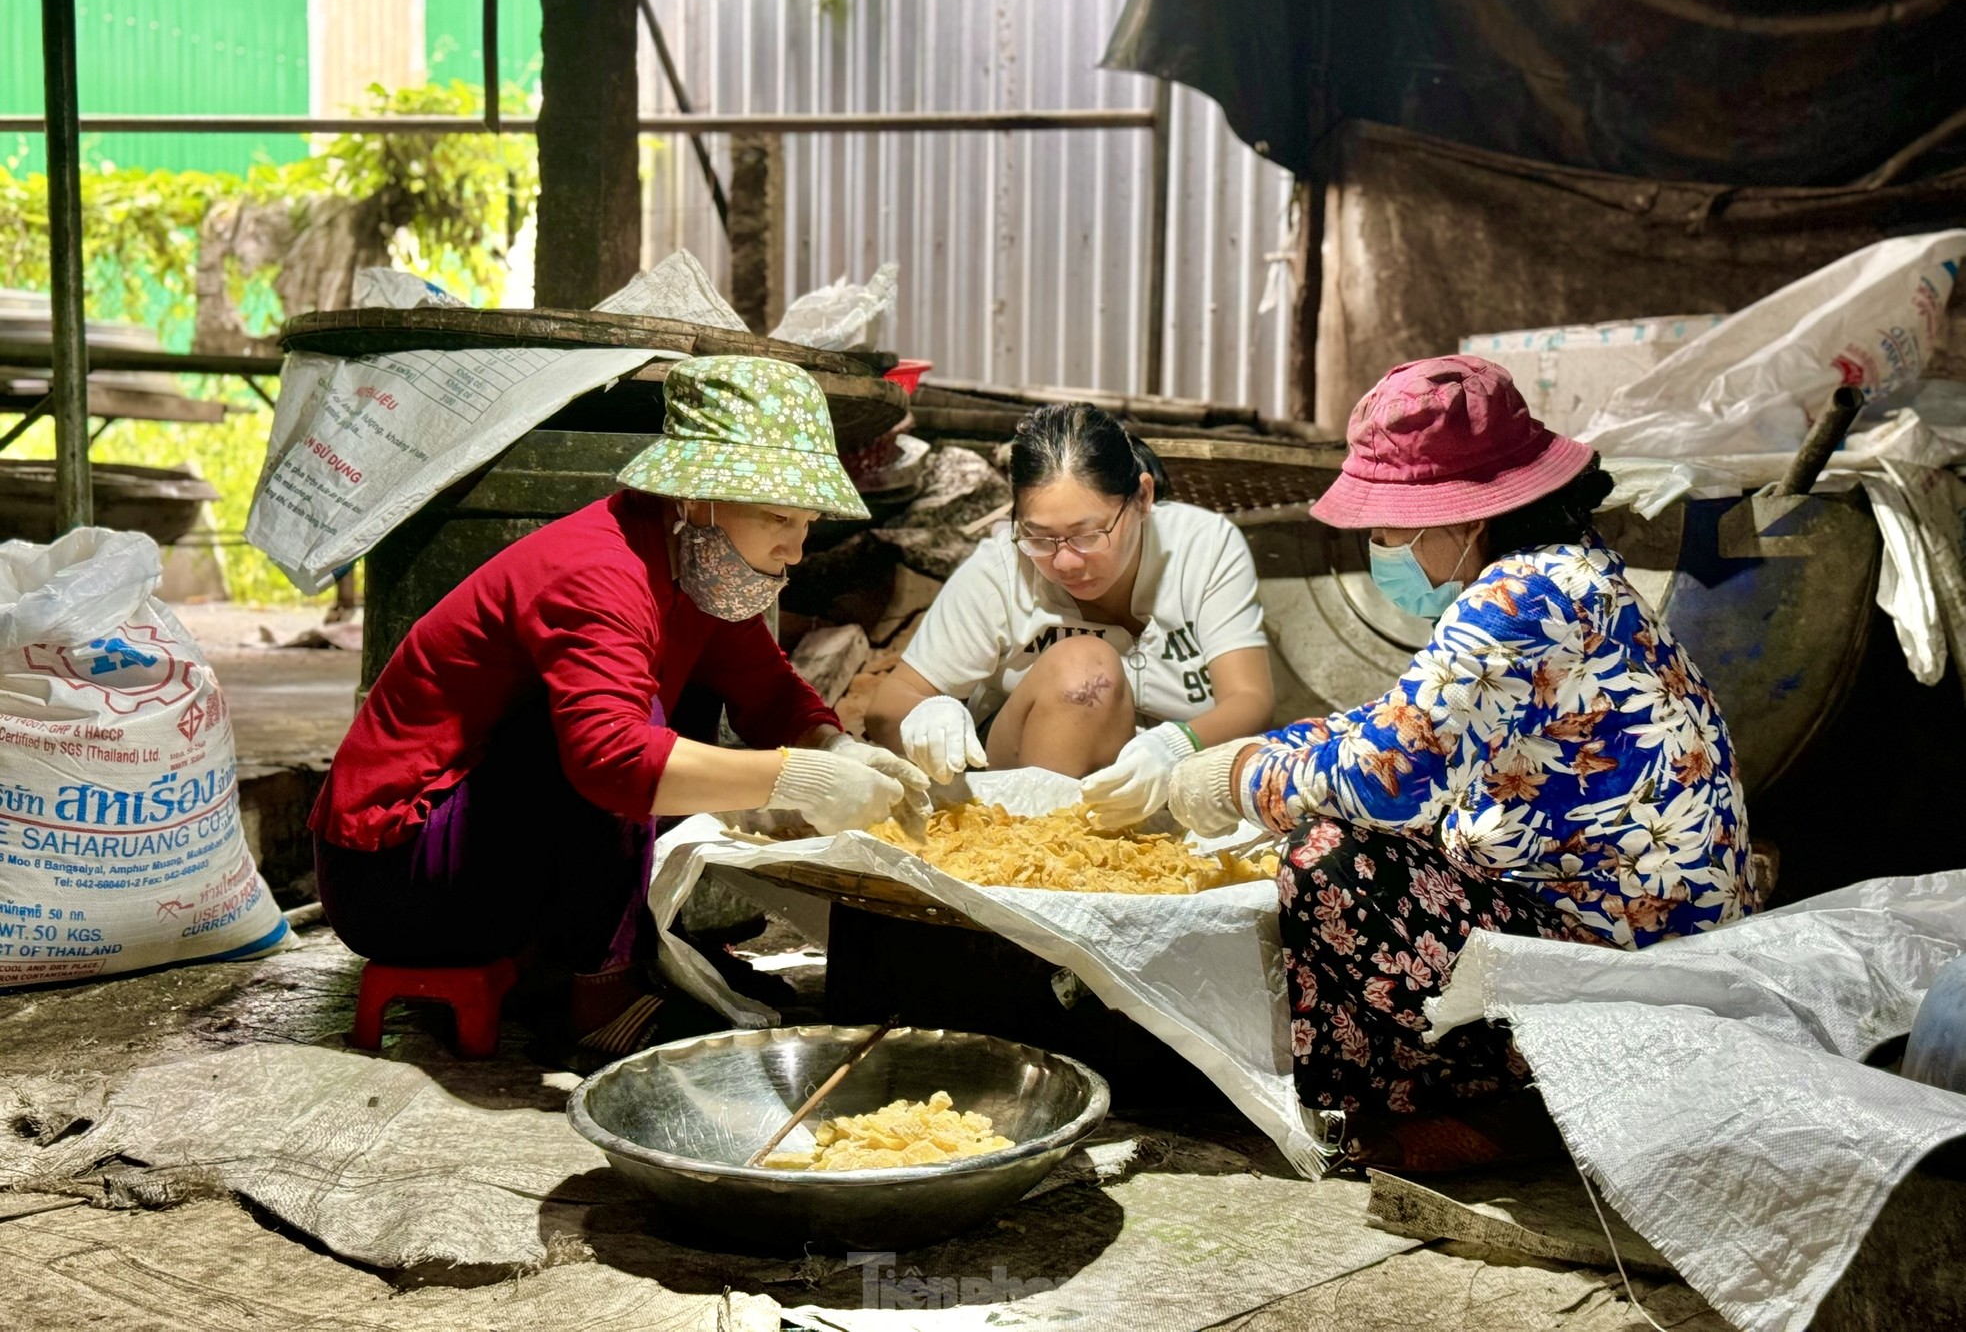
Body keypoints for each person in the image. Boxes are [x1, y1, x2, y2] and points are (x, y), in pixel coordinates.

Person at [1169, 355, 1757, 1168]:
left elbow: (1387, 778)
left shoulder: (1512, 603)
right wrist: (1272, 748)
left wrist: (1236, 780)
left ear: (1466, 518)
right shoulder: (1573, 574)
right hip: (1646, 944)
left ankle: (1478, 1111)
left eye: (1387, 529)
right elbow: (1399, 724)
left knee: (1331, 863)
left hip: (1614, 982)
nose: (1379, 549)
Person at [312, 356, 929, 1053]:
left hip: (480, 852)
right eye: (777, 518)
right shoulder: (597, 572)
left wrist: (839, 748)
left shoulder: (693, 565)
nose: (796, 547)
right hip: (396, 879)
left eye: (806, 521)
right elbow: (610, 762)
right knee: (619, 731)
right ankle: (602, 991)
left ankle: (649, 948)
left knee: (681, 696)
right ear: (696, 499)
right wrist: (795, 777)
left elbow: (768, 690)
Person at [865, 402, 1274, 829]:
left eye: (1087, 536)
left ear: (1143, 498)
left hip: (1177, 790)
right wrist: (932, 717)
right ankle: (1045, 853)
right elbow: (887, 708)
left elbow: (1249, 700)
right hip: (1025, 789)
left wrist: (1175, 745)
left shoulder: (1203, 547)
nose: (1064, 563)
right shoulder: (1000, 570)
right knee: (1084, 673)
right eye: (1039, 537)